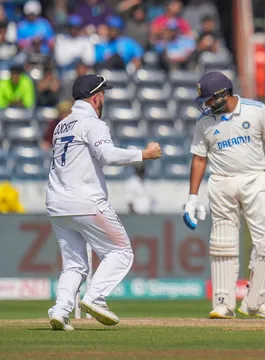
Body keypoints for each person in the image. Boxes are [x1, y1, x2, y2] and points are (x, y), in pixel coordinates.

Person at [46, 74, 162, 331]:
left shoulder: (61, 125)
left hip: (57, 203)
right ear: (96, 96)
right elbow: (107, 155)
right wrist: (145, 154)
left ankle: (60, 309)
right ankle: (95, 297)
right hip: (85, 201)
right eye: (104, 94)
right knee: (120, 252)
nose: (104, 99)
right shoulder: (92, 122)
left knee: (74, 265)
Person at [183, 71, 265, 319]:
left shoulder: (256, 110)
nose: (206, 105)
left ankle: (255, 301)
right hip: (221, 182)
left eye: (209, 99)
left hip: (255, 179)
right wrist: (192, 197)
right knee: (223, 242)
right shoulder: (205, 123)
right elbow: (199, 159)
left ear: (224, 94)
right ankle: (223, 303)